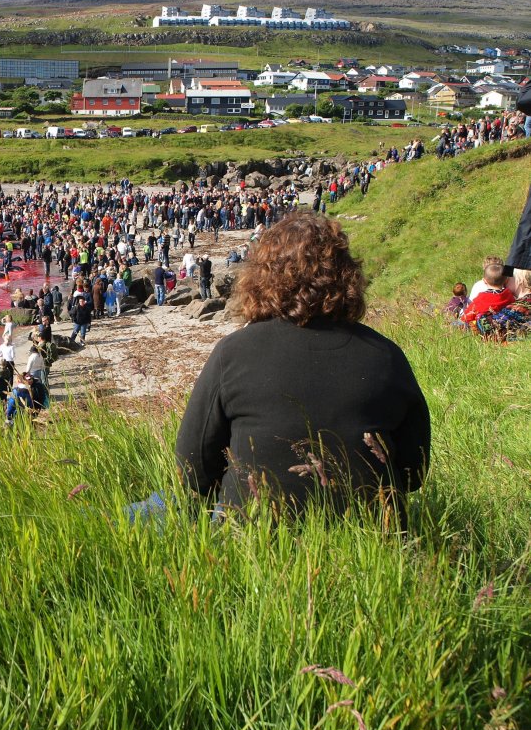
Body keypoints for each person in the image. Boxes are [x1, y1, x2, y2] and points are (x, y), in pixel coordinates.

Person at [175, 212, 430, 524]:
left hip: (252, 537)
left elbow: (193, 467)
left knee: (150, 508)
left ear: (261, 277)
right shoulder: (386, 355)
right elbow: (414, 472)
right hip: (371, 534)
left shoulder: (234, 352)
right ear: (347, 276)